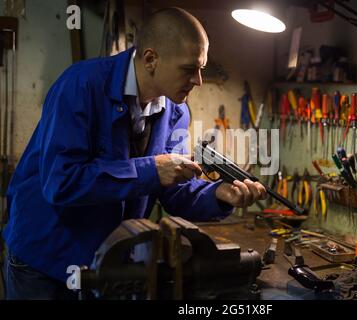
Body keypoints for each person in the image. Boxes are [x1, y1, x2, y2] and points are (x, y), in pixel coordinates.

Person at [2, 7, 267, 299]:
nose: (198, 80)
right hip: (43, 260)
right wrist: (151, 169)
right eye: (189, 69)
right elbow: (61, 183)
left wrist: (217, 195)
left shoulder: (176, 112)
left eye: (201, 69)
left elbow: (173, 190)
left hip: (103, 261)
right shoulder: (81, 86)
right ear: (151, 59)